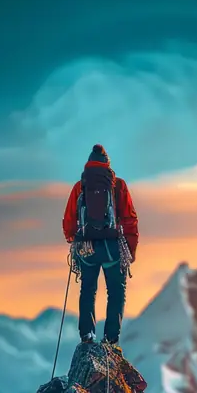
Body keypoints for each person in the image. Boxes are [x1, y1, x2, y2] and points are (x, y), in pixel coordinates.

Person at [63, 144, 139, 347]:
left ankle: (87, 334)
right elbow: (130, 219)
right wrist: (130, 250)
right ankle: (111, 339)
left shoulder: (80, 186)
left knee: (88, 289)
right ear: (108, 165)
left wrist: (75, 239)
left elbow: (69, 221)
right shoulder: (118, 185)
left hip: (87, 247)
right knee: (116, 291)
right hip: (113, 248)